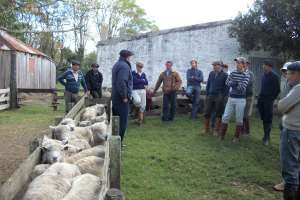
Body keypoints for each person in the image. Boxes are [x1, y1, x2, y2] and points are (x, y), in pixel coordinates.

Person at [278, 61, 300, 200]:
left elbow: (281, 106)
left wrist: (284, 104)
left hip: (293, 131)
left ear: (298, 74)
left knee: (290, 168)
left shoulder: (298, 88)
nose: (287, 77)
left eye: (290, 74)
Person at [273, 61, 294, 192]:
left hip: (293, 124)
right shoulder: (287, 83)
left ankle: (288, 183)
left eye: (289, 72)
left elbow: (285, 104)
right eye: (285, 72)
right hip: (286, 120)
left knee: (289, 155)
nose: (286, 74)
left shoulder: (296, 87)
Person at [220, 57, 250, 143]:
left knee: (239, 119)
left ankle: (236, 137)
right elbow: (227, 82)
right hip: (231, 97)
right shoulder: (233, 72)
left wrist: (234, 83)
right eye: (236, 63)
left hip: (240, 99)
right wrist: (235, 83)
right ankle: (222, 135)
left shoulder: (246, 75)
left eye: (239, 63)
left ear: (243, 64)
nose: (237, 64)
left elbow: (242, 87)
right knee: (225, 116)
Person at [112, 50, 134, 143]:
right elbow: (122, 82)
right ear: (127, 57)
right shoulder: (124, 66)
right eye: (130, 56)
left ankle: (116, 142)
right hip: (121, 99)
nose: (131, 58)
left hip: (116, 97)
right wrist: (124, 96)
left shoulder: (117, 64)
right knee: (122, 122)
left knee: (117, 121)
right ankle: (118, 143)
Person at [257, 61, 280, 145]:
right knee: (263, 118)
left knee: (268, 118)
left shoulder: (274, 77)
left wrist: (271, 99)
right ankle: (266, 135)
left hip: (268, 101)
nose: (263, 67)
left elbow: (277, 90)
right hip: (261, 99)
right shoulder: (263, 76)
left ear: (270, 67)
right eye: (263, 65)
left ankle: (266, 137)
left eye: (265, 66)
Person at [203, 61, 228, 135]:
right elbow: (208, 84)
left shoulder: (225, 75)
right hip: (210, 95)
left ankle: (216, 130)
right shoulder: (211, 73)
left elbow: (227, 87)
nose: (214, 67)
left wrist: (223, 96)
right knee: (207, 112)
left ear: (220, 66)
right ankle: (206, 129)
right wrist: (207, 94)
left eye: (215, 65)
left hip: (219, 96)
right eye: (213, 65)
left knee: (218, 113)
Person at [242, 60, 255, 134]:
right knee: (241, 113)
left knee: (246, 114)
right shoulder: (240, 72)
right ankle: (243, 129)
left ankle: (246, 130)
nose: (245, 65)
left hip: (248, 96)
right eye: (244, 64)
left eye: (246, 64)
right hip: (241, 96)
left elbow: (249, 83)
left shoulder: (250, 74)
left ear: (248, 65)